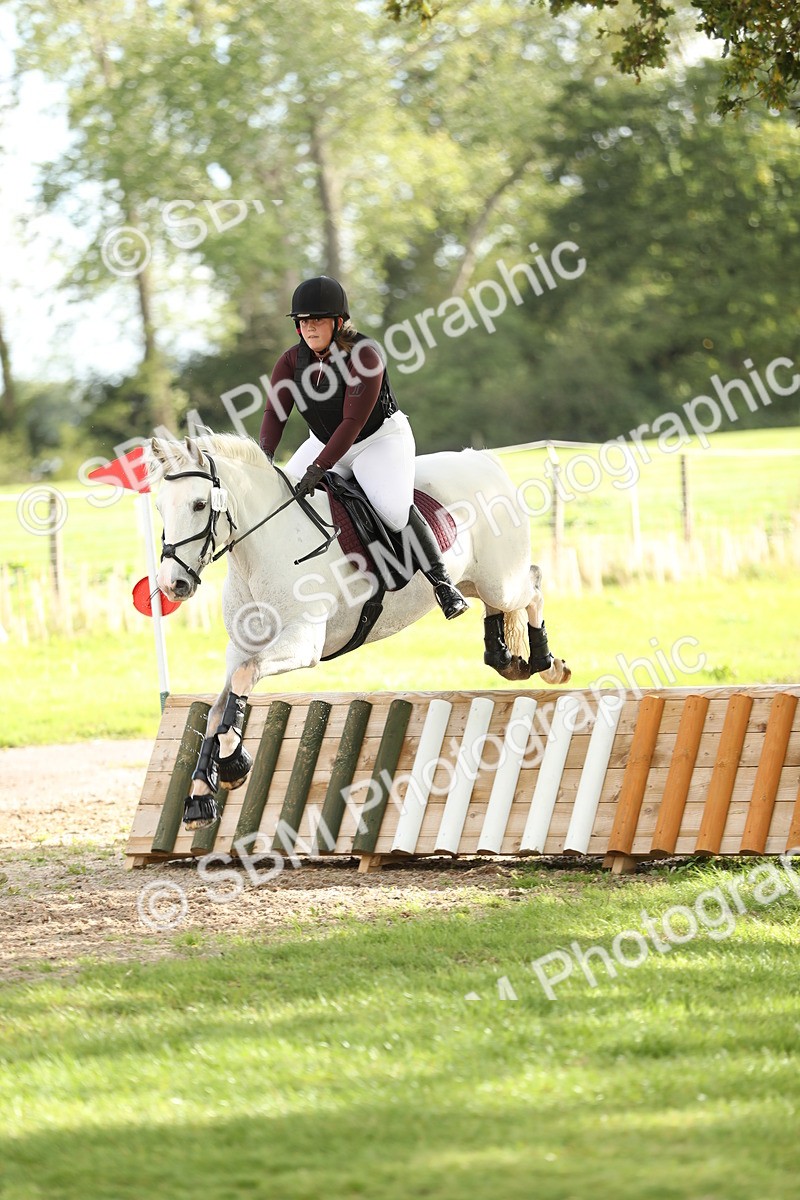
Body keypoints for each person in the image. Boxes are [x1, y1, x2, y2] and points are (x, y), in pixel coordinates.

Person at [259, 274, 468, 619]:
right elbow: (275, 412)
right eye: (303, 322)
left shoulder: (365, 355)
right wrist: (264, 458)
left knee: (393, 510)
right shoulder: (291, 362)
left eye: (318, 321)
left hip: (377, 441)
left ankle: (443, 583)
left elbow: (352, 423)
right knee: (282, 501)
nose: (309, 328)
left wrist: (318, 468)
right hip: (323, 442)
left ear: (338, 323)